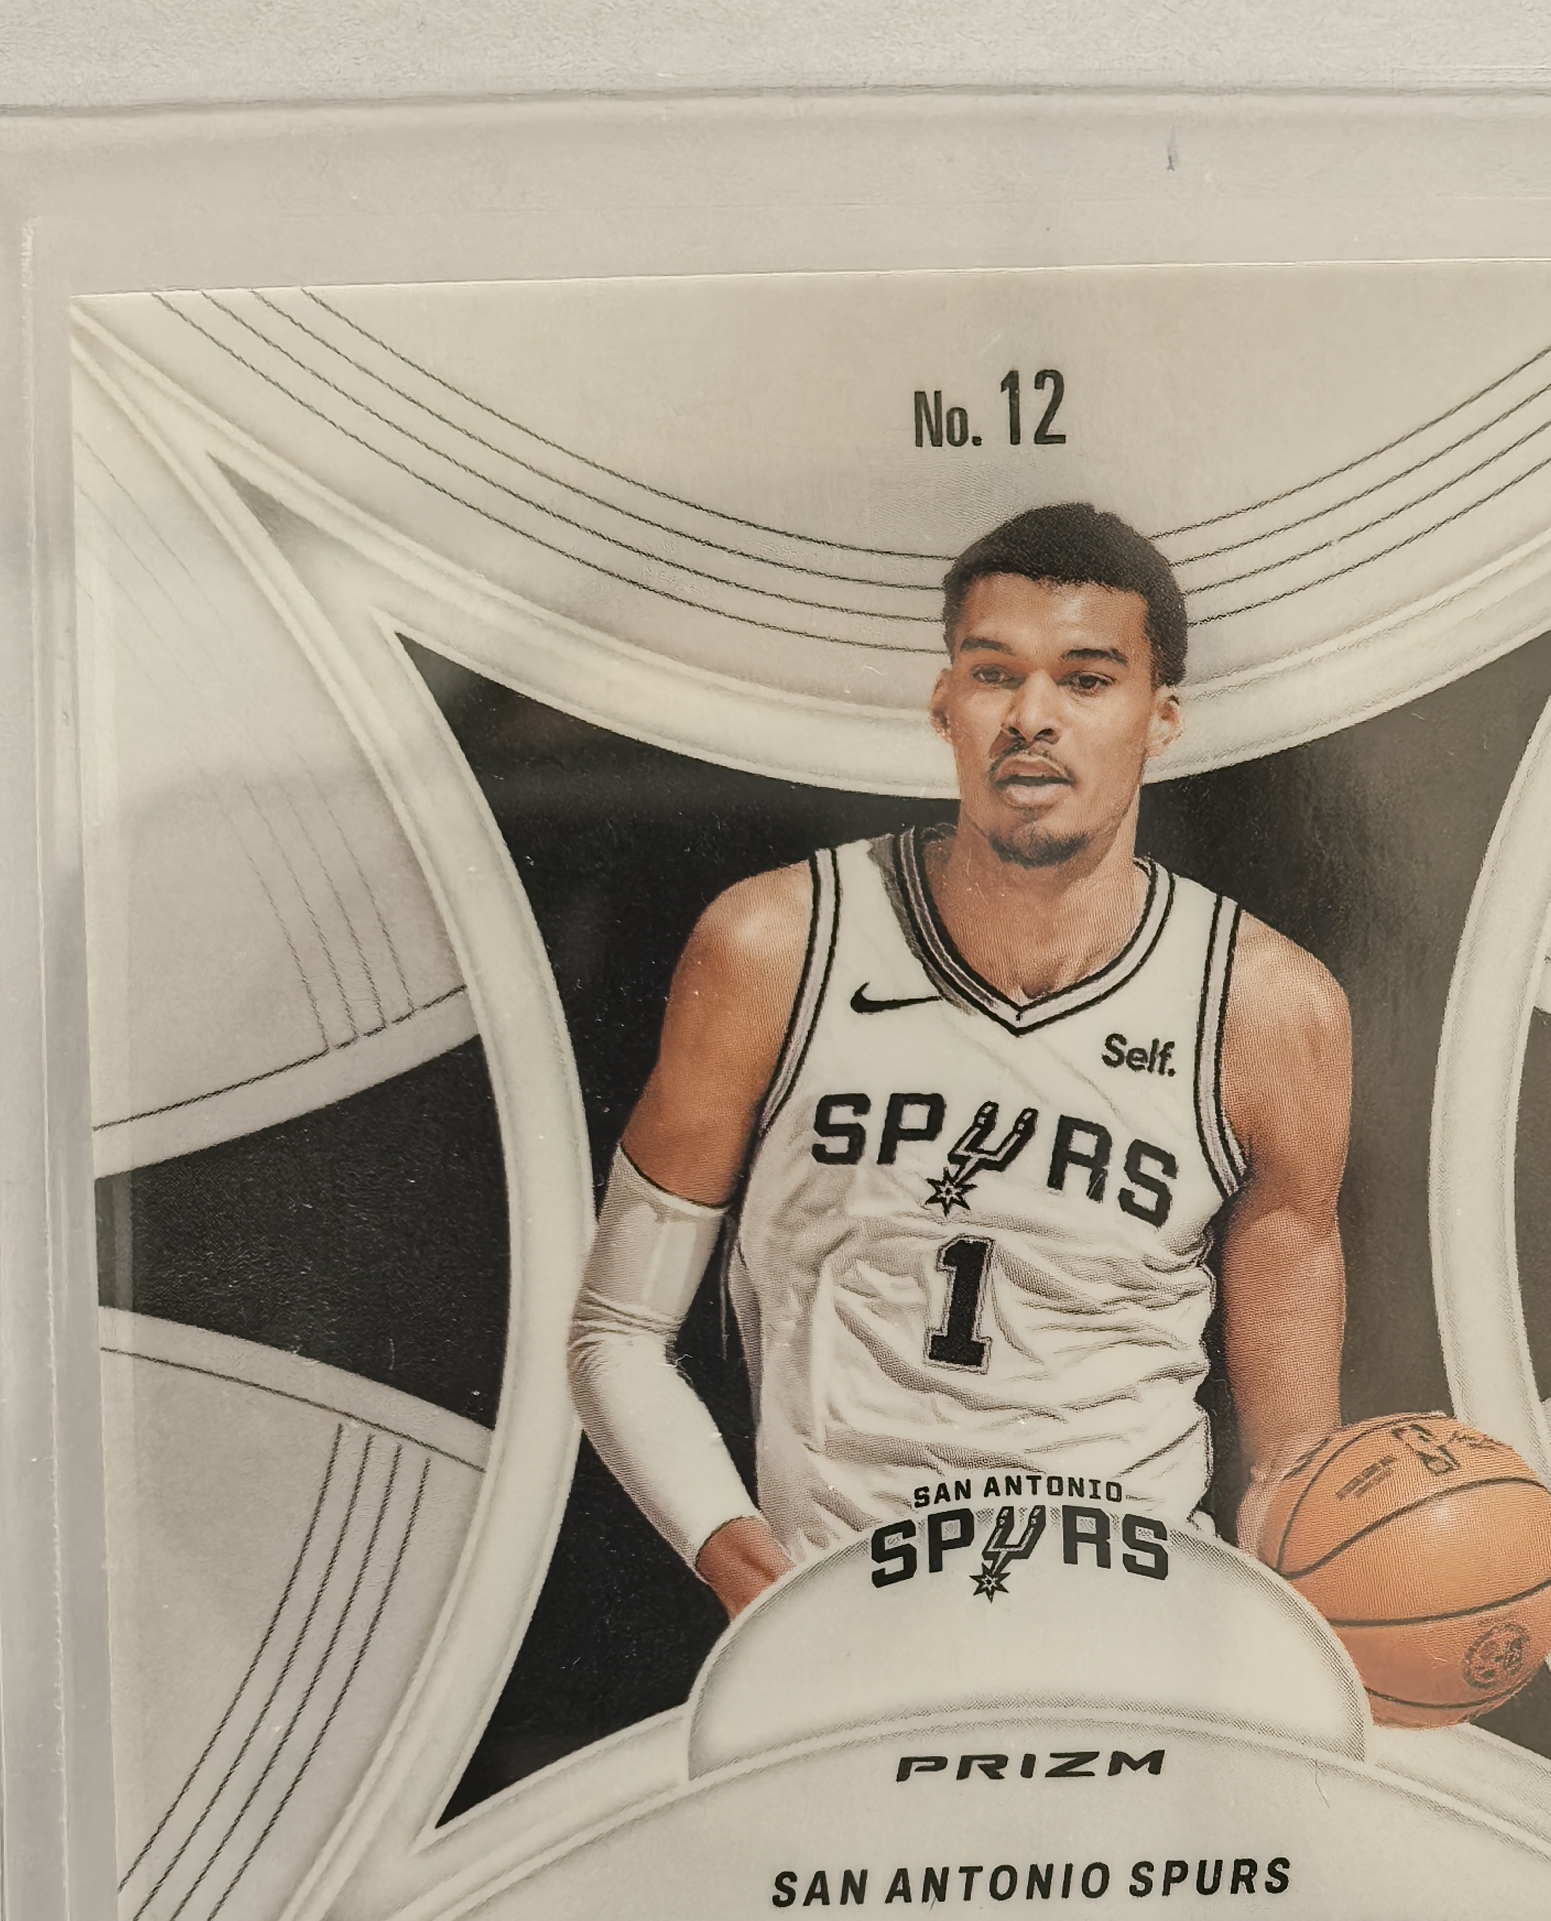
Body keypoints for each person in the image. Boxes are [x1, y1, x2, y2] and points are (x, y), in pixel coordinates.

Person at [566, 501, 1350, 1611]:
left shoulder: (1267, 1009)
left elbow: (1293, 1472)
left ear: (1161, 718)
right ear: (944, 703)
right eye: (994, 675)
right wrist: (758, 1584)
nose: (1032, 717)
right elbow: (617, 1334)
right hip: (846, 1622)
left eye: (1086, 680)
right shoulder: (776, 946)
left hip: (1131, 1634)